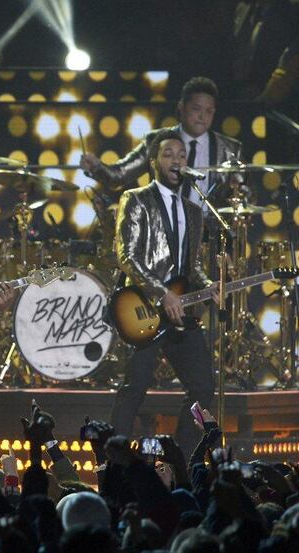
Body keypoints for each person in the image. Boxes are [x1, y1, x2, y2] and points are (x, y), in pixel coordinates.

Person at [110, 129, 220, 452]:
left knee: (203, 387)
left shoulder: (194, 211)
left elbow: (191, 265)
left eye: (182, 155)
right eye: (169, 154)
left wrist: (208, 285)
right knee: (135, 387)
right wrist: (162, 293)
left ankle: (183, 457)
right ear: (154, 161)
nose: (177, 160)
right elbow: (126, 256)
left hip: (180, 313)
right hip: (143, 309)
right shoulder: (136, 199)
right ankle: (111, 459)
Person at [80, 76, 242, 209]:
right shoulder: (156, 141)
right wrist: (97, 166)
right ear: (181, 107)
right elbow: (120, 175)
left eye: (209, 111)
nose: (202, 116)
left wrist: (241, 191)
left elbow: (242, 193)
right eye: (196, 109)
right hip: (164, 231)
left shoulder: (229, 149)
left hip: (209, 237)